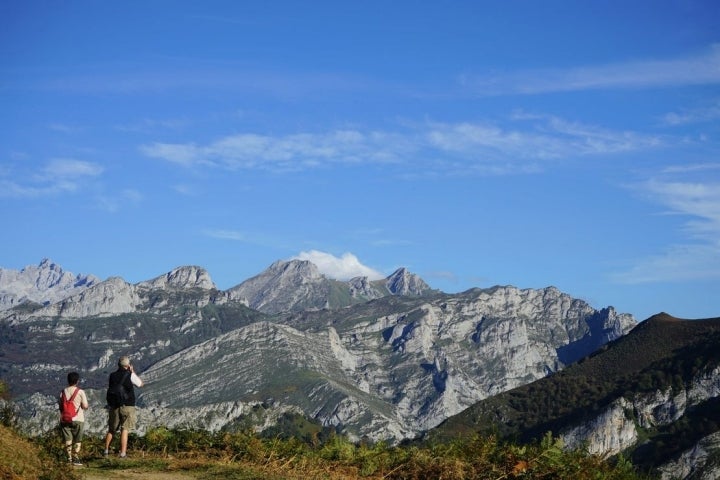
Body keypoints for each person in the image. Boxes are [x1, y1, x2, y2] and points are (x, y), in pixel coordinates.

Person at [104, 356, 144, 458]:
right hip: (128, 405)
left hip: (114, 406)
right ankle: (122, 453)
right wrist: (132, 371)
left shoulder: (112, 375)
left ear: (118, 365)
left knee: (112, 429)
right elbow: (140, 384)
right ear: (128, 365)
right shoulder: (130, 375)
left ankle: (106, 451)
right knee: (125, 429)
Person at [59, 371, 89, 466]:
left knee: (68, 439)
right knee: (77, 439)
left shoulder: (63, 392)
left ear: (68, 380)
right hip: (78, 418)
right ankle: (76, 457)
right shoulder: (80, 392)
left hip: (65, 419)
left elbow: (61, 406)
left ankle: (69, 458)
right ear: (77, 381)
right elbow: (85, 406)